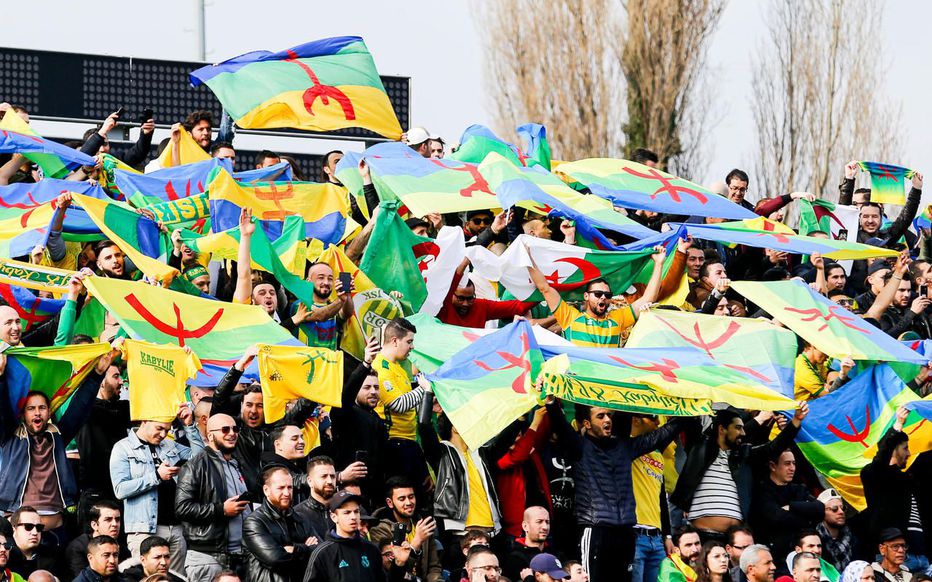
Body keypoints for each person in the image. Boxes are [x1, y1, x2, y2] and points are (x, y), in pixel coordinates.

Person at [545, 395, 692, 582]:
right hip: (596, 530)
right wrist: (551, 403)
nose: (607, 419)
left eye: (608, 415)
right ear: (586, 424)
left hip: (626, 533)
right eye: (600, 416)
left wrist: (690, 411)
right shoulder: (579, 447)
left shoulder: (624, 447)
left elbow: (661, 435)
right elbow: (560, 425)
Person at [0, 347, 112, 529]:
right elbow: (2, 409)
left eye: (42, 408)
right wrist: (1, 378)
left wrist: (97, 374)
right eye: (31, 408)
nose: (37, 413)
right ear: (23, 414)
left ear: (49, 411)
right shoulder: (9, 435)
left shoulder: (57, 436)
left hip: (56, 528)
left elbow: (79, 409)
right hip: (18, 528)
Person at [671, 405, 809, 540]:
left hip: (735, 541)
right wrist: (758, 420)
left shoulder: (744, 456)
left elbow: (774, 447)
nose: (743, 433)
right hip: (702, 537)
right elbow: (690, 422)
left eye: (743, 428)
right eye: (738, 428)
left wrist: (796, 420)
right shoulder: (700, 448)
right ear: (721, 429)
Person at [110, 412, 200, 574]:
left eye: (167, 430)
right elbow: (120, 489)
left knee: (175, 578)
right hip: (145, 529)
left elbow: (201, 457)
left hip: (177, 527)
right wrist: (157, 476)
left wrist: (189, 426)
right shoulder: (122, 447)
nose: (163, 434)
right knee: (148, 578)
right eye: (159, 428)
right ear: (144, 420)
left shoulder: (169, 444)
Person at [527, 246, 666, 347]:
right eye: (598, 294)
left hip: (605, 381)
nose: (603, 298)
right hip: (579, 381)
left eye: (607, 295)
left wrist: (659, 264)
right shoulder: (570, 316)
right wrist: (527, 260)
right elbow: (544, 288)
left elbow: (648, 298)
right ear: (586, 296)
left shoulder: (618, 318)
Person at [175, 414, 252, 580]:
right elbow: (182, 508)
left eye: (235, 429)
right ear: (210, 435)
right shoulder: (195, 466)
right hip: (208, 557)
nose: (232, 433)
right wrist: (221, 510)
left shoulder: (236, 463)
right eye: (225, 429)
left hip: (240, 556)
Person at [861, 406, 928, 568]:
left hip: (922, 556)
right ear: (893, 450)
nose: (909, 453)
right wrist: (898, 424)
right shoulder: (872, 474)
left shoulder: (907, 479)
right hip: (896, 557)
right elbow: (880, 461)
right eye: (905, 448)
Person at [372, 318, 429, 490]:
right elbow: (398, 404)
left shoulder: (397, 367)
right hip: (394, 444)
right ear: (395, 341)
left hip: (409, 441)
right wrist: (425, 388)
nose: (412, 347)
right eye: (409, 341)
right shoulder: (381, 368)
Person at [302, 490, 406, 582]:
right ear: (334, 517)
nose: (353, 517)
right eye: (347, 513)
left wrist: (399, 564)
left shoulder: (371, 550)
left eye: (356, 512)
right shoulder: (322, 553)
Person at [243, 466, 318, 582]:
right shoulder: (254, 522)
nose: (287, 493)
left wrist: (295, 549)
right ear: (266, 490)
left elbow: (320, 551)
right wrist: (307, 548)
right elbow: (276, 559)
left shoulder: (300, 518)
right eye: (281, 488)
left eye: (290, 487)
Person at [751, 448, 824, 562]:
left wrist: (792, 506)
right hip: (776, 557)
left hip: (802, 556)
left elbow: (820, 508)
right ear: (772, 466)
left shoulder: (799, 489)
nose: (792, 468)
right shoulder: (763, 491)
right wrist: (805, 516)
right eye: (787, 464)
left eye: (794, 463)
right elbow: (777, 518)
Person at [74, 362, 130, 500]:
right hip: (95, 492)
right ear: (101, 382)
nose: (121, 381)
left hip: (120, 489)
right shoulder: (86, 410)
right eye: (116, 376)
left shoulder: (122, 408)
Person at [369, 478, 441, 582]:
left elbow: (434, 567)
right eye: (402, 499)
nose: (408, 502)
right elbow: (392, 570)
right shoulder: (379, 530)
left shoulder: (422, 526)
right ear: (390, 503)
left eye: (411, 497)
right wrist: (415, 544)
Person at [630, 412, 673, 582]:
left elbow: (661, 498)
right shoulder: (624, 446)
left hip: (657, 539)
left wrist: (667, 535)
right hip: (634, 535)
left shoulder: (657, 454)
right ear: (635, 419)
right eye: (652, 417)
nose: (657, 422)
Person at [288, 262, 354, 351]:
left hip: (330, 363)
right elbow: (320, 315)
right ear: (309, 281)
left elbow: (347, 313)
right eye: (321, 278)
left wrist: (347, 295)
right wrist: (341, 300)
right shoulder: (300, 305)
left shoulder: (334, 307)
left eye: (330, 279)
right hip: (305, 362)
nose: (326, 282)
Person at [64, 500, 123, 578]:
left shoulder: (121, 546)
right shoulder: (78, 547)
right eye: (108, 519)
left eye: (117, 519)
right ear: (94, 525)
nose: (115, 524)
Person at [502, 507, 551, 582]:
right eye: (539, 522)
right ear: (525, 526)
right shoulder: (514, 559)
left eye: (547, 522)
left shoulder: (557, 553)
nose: (545, 527)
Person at [5, 508, 57, 578]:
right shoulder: (4, 555)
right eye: (28, 526)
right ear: (14, 529)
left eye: (39, 527)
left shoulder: (51, 556)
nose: (35, 532)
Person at [816, 490, 856, 575]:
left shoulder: (852, 537)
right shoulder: (815, 541)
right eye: (834, 509)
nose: (841, 512)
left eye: (843, 508)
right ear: (822, 512)